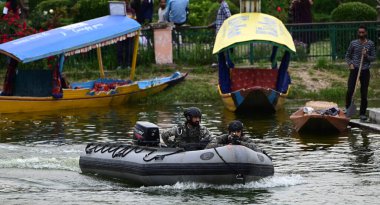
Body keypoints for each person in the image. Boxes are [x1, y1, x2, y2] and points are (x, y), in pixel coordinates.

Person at [345, 25, 376, 121]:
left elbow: (373, 58)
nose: (361, 34)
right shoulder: (353, 43)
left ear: (366, 33)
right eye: (360, 32)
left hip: (365, 70)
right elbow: (347, 56)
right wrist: (350, 64)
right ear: (358, 33)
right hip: (355, 69)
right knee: (350, 90)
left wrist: (366, 55)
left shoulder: (370, 44)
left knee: (364, 93)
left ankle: (362, 113)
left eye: (363, 32)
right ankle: (348, 109)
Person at [117, 0, 136, 70]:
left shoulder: (132, 11)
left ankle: (128, 65)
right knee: (120, 49)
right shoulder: (118, 12)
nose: (125, 3)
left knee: (129, 49)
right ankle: (120, 65)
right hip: (120, 33)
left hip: (130, 34)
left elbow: (134, 21)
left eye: (126, 2)